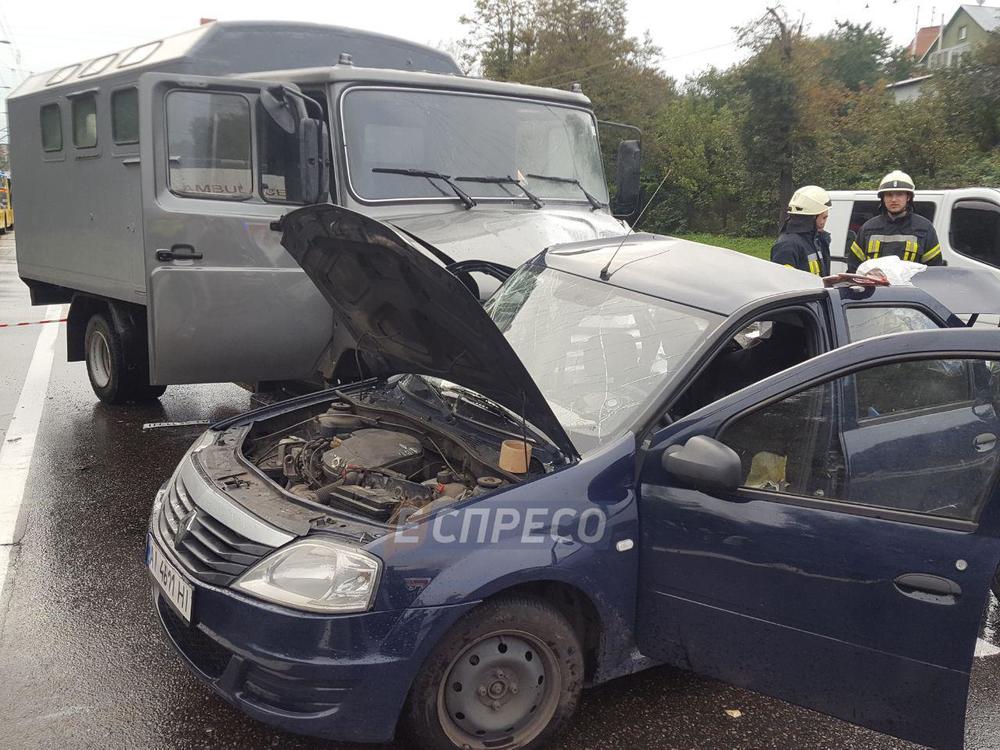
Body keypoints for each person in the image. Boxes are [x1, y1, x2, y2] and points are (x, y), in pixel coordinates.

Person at [847, 170, 943, 272]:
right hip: (875, 283)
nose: (893, 199)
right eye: (889, 195)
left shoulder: (924, 228)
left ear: (908, 197)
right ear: (883, 198)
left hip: (911, 283)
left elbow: (934, 270)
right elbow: (854, 268)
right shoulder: (868, 229)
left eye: (899, 194)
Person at [770, 185, 832, 276]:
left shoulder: (815, 240)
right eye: (824, 217)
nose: (824, 222)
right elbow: (783, 280)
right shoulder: (787, 246)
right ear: (812, 217)